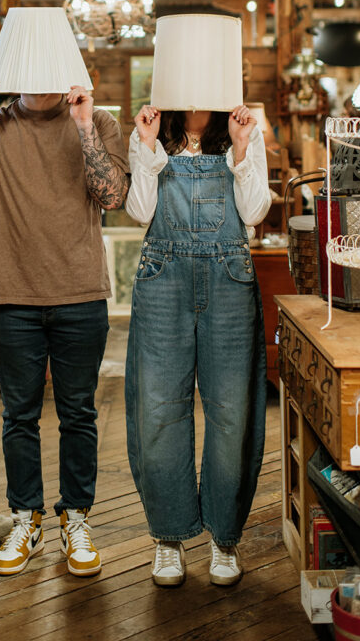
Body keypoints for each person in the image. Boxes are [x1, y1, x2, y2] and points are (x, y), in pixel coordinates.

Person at [0, 77, 129, 578]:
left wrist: (85, 125)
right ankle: (27, 519)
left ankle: (76, 517)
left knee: (78, 415)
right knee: (18, 416)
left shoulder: (101, 119)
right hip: (12, 295)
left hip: (80, 293)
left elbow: (111, 195)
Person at [125, 101, 272, 587]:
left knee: (231, 411)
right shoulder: (149, 136)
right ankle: (168, 539)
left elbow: (254, 211)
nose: (192, 100)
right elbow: (139, 212)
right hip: (162, 274)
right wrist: (145, 147)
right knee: (160, 408)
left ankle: (224, 539)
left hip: (230, 275)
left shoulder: (243, 132)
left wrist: (244, 147)